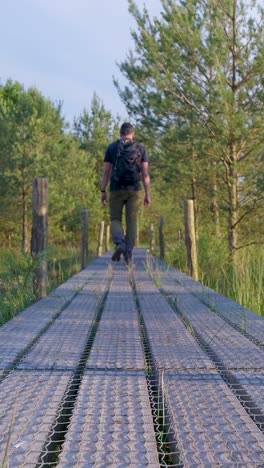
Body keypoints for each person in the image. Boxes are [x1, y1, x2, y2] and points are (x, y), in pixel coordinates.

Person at [101, 122, 151, 264]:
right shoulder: (141, 148)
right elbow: (145, 174)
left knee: (115, 219)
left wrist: (103, 190)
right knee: (132, 221)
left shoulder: (112, 147)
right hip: (134, 189)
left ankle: (119, 243)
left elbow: (106, 172)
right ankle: (128, 253)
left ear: (120, 133)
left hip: (116, 188)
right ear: (132, 134)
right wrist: (147, 194)